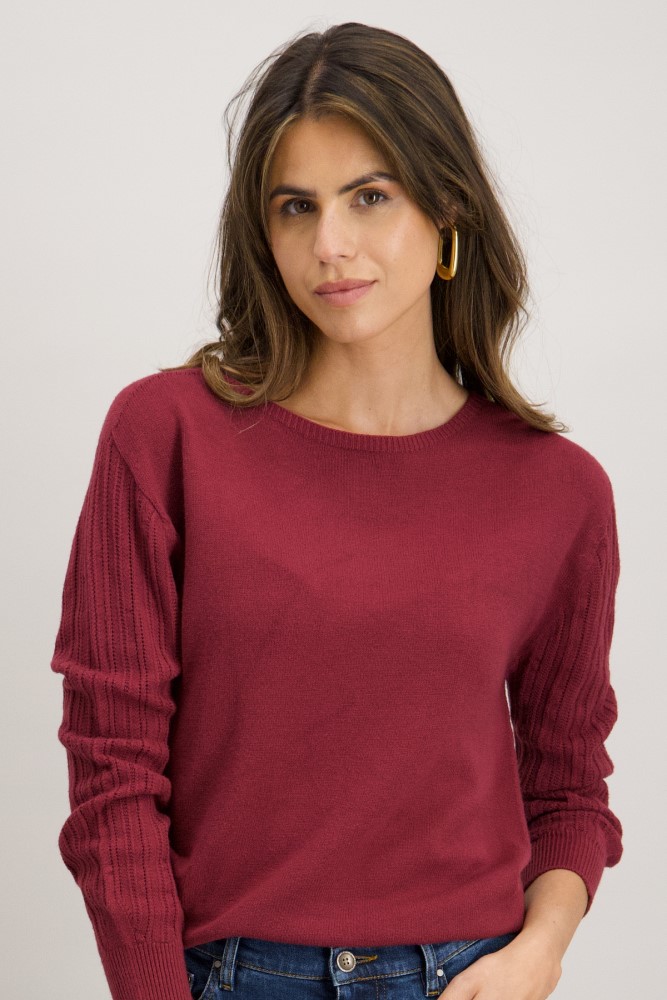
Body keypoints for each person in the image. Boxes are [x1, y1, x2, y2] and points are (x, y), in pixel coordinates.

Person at [50, 21, 623, 1000]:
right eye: (295, 207)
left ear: (447, 209)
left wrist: (538, 952)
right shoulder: (166, 436)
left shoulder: (558, 490)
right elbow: (113, 777)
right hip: (233, 976)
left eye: (369, 196)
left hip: (469, 972)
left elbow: (568, 786)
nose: (329, 246)